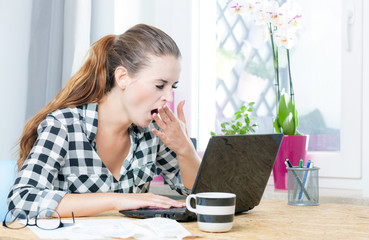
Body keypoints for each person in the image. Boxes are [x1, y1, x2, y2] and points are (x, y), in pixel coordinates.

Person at [7, 24, 201, 218]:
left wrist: (185, 149)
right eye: (160, 85)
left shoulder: (154, 132)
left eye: (173, 87)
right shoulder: (63, 125)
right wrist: (116, 200)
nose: (168, 97)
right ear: (123, 78)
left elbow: (201, 196)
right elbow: (22, 200)